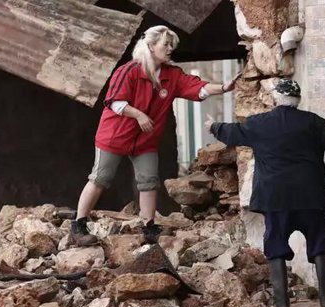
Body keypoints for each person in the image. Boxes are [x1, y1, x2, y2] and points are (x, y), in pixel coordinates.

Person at [70, 25, 237, 246]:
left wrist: (223, 87)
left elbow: (197, 88)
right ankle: (79, 224)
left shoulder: (172, 75)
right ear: (150, 46)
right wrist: (139, 115)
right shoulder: (129, 71)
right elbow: (115, 101)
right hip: (115, 136)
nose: (170, 49)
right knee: (100, 178)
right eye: (165, 45)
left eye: (172, 45)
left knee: (149, 181)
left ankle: (148, 226)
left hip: (145, 140)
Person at [206, 79, 325, 307]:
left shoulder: (259, 123)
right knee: (320, 243)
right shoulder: (314, 123)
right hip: (310, 197)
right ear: (298, 100)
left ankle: (282, 306)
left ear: (276, 98)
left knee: (275, 244)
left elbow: (232, 133)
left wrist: (213, 126)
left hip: (275, 198)